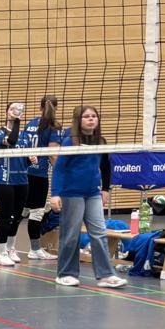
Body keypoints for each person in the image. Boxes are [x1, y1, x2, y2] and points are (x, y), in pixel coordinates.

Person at [48, 105, 127, 290]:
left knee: (99, 233)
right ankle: (65, 274)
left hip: (93, 194)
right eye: (86, 116)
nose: (91, 119)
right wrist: (55, 193)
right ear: (79, 120)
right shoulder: (70, 142)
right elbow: (59, 169)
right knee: (71, 235)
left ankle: (106, 275)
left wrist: (105, 189)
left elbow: (106, 166)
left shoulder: (101, 141)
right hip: (71, 193)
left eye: (94, 116)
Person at [0, 102, 31, 266]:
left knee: (17, 218)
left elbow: (24, 159)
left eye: (19, 109)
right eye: (13, 109)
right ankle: (1, 253)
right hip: (4, 181)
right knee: (6, 217)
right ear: (7, 112)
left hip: (22, 180)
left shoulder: (26, 136)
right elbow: (12, 141)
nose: (16, 111)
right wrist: (17, 121)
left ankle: (10, 248)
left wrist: (31, 159)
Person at [22, 95, 61, 261]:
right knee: (37, 212)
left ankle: (5, 242)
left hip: (25, 172)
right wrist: (60, 173)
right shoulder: (52, 127)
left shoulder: (30, 124)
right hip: (39, 175)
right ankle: (35, 249)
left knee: (22, 210)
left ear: (40, 107)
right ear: (56, 108)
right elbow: (52, 154)